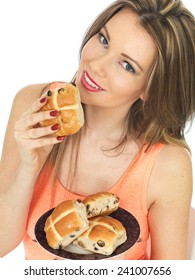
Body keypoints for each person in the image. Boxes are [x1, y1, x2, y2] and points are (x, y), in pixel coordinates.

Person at [0, 0, 194, 260]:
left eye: (127, 65)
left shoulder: (168, 164)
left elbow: (170, 274)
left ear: (150, 89)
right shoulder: (35, 108)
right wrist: (28, 166)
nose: (97, 65)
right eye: (104, 39)